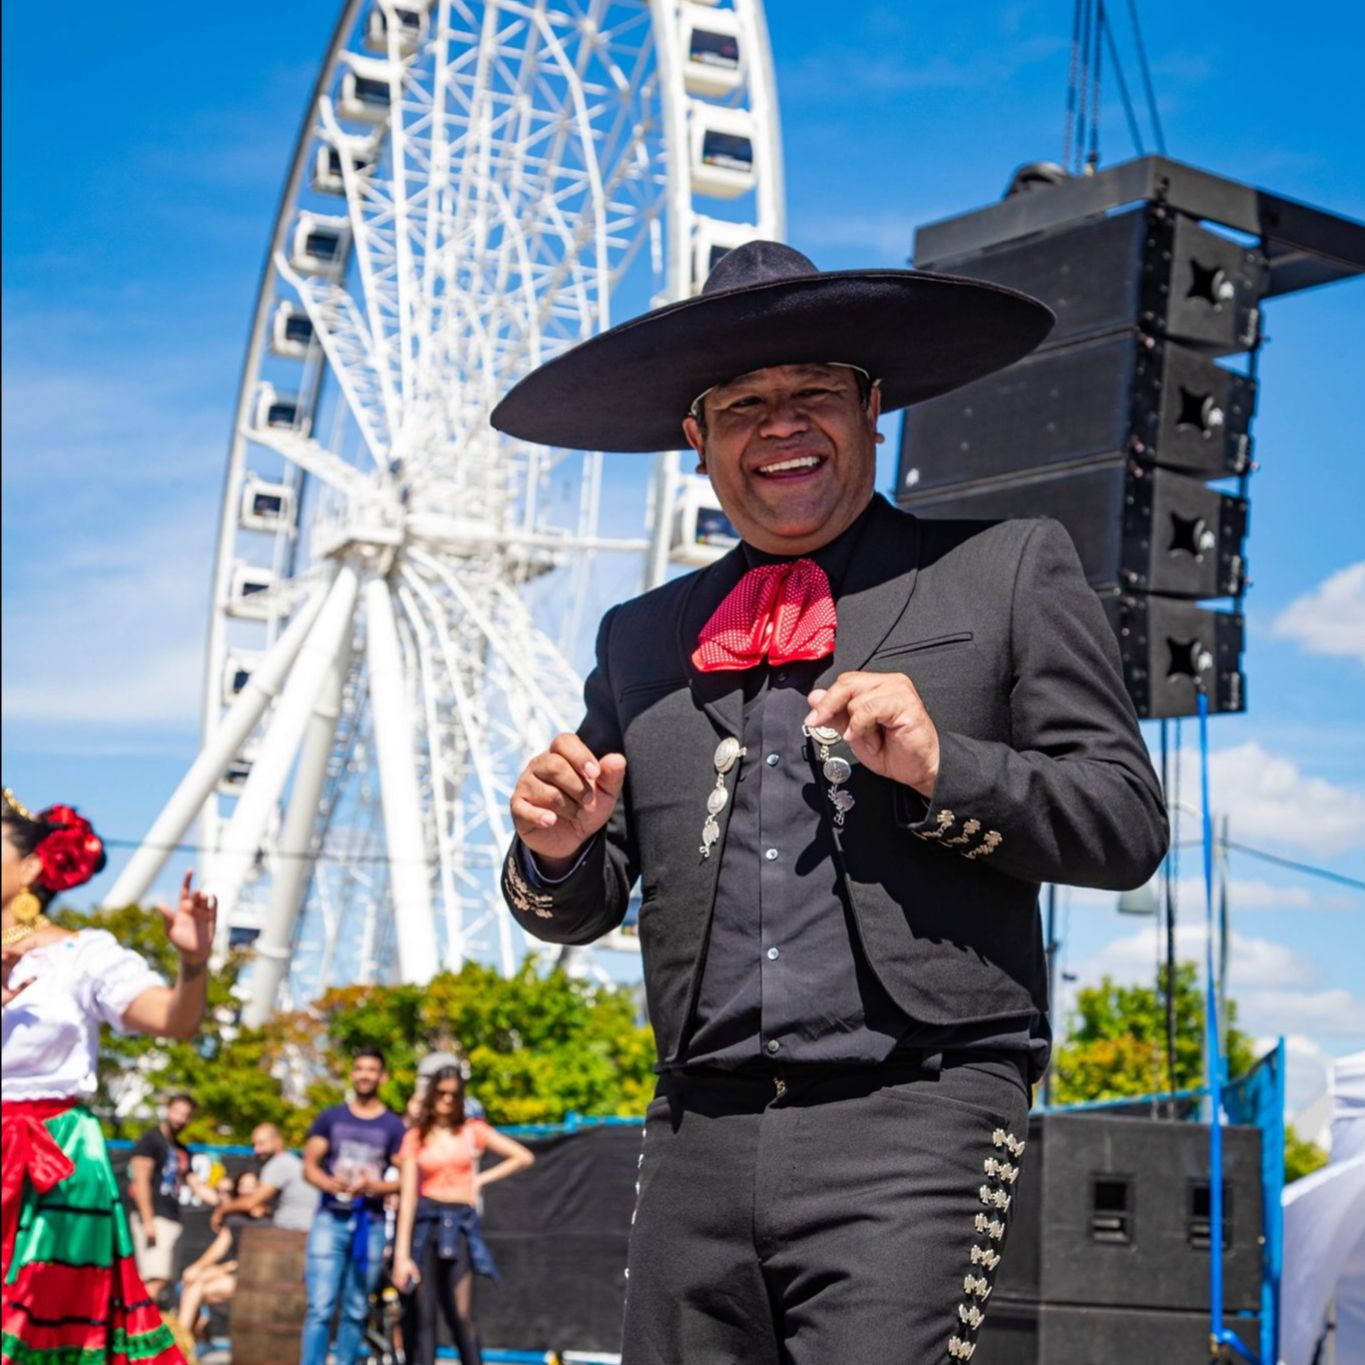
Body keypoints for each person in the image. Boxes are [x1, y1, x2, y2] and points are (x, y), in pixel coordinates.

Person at [493, 242, 1169, 1363]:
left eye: (813, 391)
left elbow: (1126, 823)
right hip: (694, 1127)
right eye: (743, 404)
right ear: (697, 438)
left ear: (872, 409)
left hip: (917, 1121)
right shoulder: (638, 636)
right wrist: (555, 852)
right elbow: (582, 896)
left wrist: (947, 767)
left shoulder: (1005, 567)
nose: (782, 424)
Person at [1, 788, 217, 1365]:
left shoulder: (79, 955)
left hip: (52, 1161)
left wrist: (193, 963)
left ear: (31, 868)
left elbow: (175, 1021)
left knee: (37, 1338)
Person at [392, 1067, 534, 1365]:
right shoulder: (416, 1137)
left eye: (453, 1094)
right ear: (431, 1095)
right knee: (424, 1315)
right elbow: (407, 1198)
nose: (447, 1099)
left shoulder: (472, 1131)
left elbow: (523, 1157)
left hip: (460, 1226)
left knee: (462, 1313)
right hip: (425, 1225)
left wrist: (479, 1180)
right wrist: (401, 1256)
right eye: (441, 1093)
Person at [300, 1048, 407, 1365]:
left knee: (357, 1308)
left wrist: (374, 1187)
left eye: (372, 1069)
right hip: (329, 1221)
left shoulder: (393, 1126)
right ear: (352, 1073)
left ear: (382, 1076)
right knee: (320, 1307)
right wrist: (328, 1183)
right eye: (359, 1068)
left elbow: (408, 1178)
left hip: (370, 1225)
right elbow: (309, 1166)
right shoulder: (331, 1117)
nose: (365, 1074)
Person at [128, 1092, 214, 1303]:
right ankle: (139, 1322)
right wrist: (148, 1221)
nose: (180, 1119)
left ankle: (146, 1320)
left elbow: (196, 1185)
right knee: (154, 1279)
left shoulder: (181, 1149)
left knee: (163, 1280)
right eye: (177, 1112)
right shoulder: (150, 1140)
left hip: (172, 1219)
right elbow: (140, 1181)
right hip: (154, 1218)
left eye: (185, 1115)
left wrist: (225, 1201)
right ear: (168, 1111)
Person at [176, 1171, 266, 1337]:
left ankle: (186, 1337)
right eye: (242, 1186)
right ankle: (184, 1338)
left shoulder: (270, 1218)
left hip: (256, 1279)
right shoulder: (233, 1218)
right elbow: (219, 1247)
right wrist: (196, 1268)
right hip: (232, 1275)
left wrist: (223, 1268)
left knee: (195, 1287)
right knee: (191, 1283)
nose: (246, 1190)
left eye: (251, 1186)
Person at [211, 1123, 318, 1232]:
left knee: (232, 1221)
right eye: (254, 1145)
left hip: (291, 1227)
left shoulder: (278, 1164)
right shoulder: (291, 1161)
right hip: (306, 1225)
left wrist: (221, 1210)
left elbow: (250, 1203)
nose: (257, 1150)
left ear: (278, 1141)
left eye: (261, 1144)